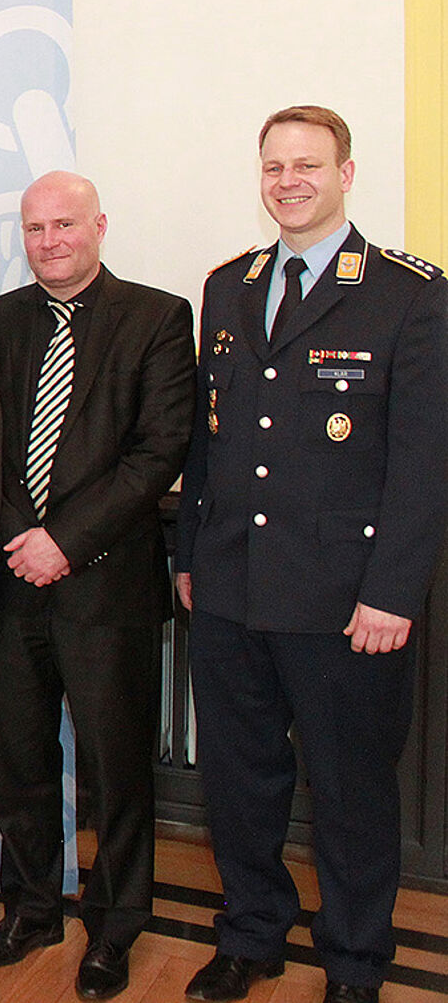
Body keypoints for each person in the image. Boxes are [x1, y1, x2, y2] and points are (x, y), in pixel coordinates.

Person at [176, 105, 447, 1003]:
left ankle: (355, 962)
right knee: (239, 784)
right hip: (228, 588)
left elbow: (422, 463)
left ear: (347, 173)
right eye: (273, 167)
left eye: (307, 164)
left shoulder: (409, 293)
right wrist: (189, 555)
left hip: (343, 602)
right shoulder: (227, 284)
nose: (288, 180)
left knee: (350, 793)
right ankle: (251, 933)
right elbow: (208, 443)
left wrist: (393, 593)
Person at [0, 171, 195, 999]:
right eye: (35, 229)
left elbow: (159, 449)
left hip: (106, 586)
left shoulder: (160, 315)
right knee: (19, 760)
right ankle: (29, 908)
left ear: (98, 224)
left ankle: (115, 926)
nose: (50, 240)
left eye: (65, 224)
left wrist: (63, 540)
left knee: (116, 767)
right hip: (12, 580)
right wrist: (16, 540)